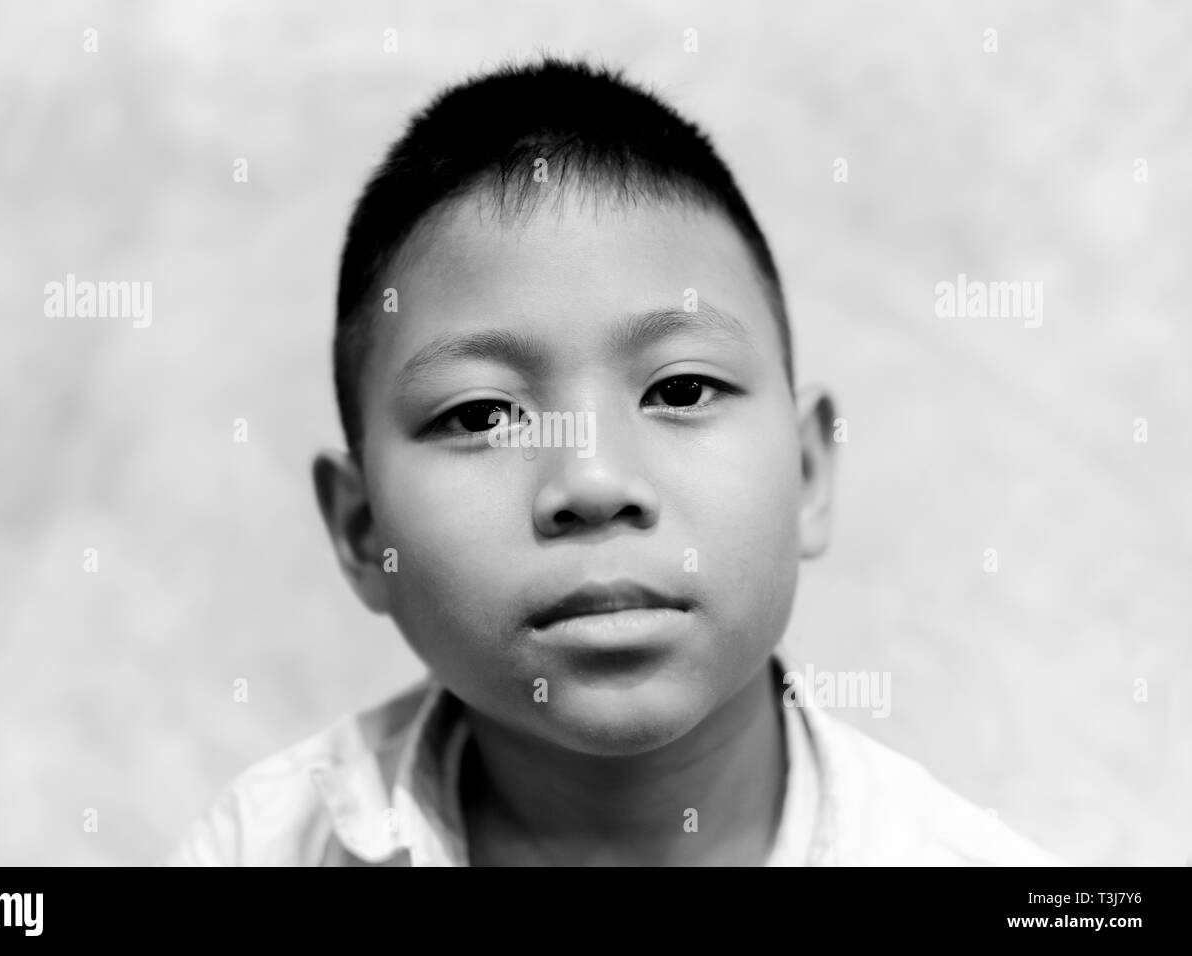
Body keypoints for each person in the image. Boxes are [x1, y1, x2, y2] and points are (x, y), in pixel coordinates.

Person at [168, 57, 1059, 866]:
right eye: (481, 413)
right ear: (363, 532)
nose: (591, 484)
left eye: (679, 392)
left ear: (809, 474)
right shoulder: (258, 848)